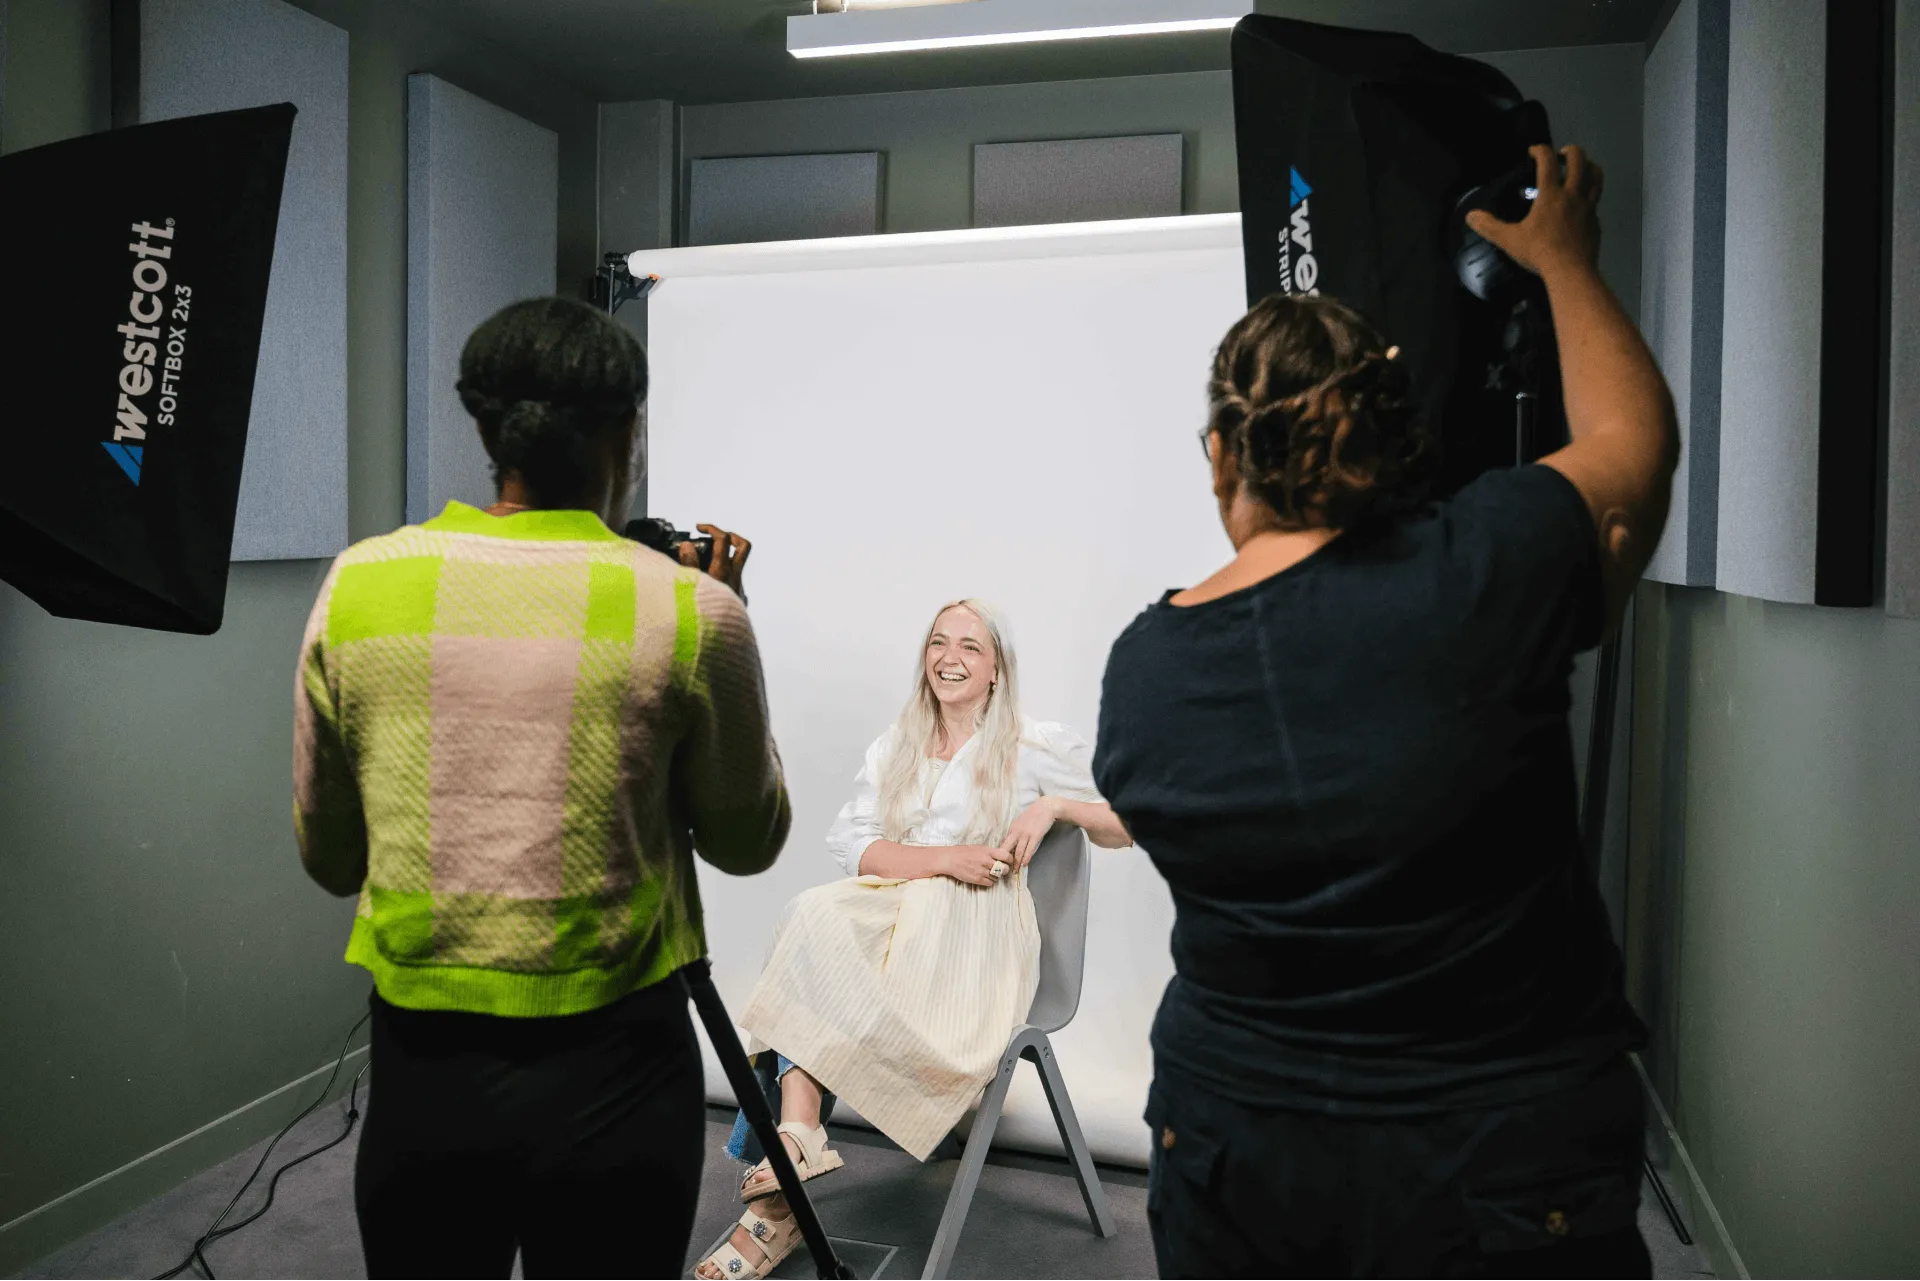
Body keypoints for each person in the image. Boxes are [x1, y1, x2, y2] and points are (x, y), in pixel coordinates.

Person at [1093, 144, 1678, 1279]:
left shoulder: (1146, 667)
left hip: (1236, 1150)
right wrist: (1564, 262)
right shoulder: (1492, 564)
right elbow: (1633, 451)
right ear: (1392, 433)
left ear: (1221, 456)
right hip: (1500, 1158)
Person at [292, 296, 789, 1280]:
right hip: (621, 1071)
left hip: (422, 1078)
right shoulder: (694, 613)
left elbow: (330, 856)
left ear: (486, 431)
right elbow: (746, 839)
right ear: (627, 433)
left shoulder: (358, 585)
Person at [693, 598, 1132, 1280]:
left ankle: (776, 1201)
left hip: (972, 935)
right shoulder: (898, 741)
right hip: (892, 909)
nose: (949, 657)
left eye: (969, 646)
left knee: (813, 975)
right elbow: (856, 845)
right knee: (814, 920)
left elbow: (1124, 823)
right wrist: (942, 858)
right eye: (937, 642)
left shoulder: (1034, 744)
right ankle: (797, 1136)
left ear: (996, 669)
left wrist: (1054, 805)